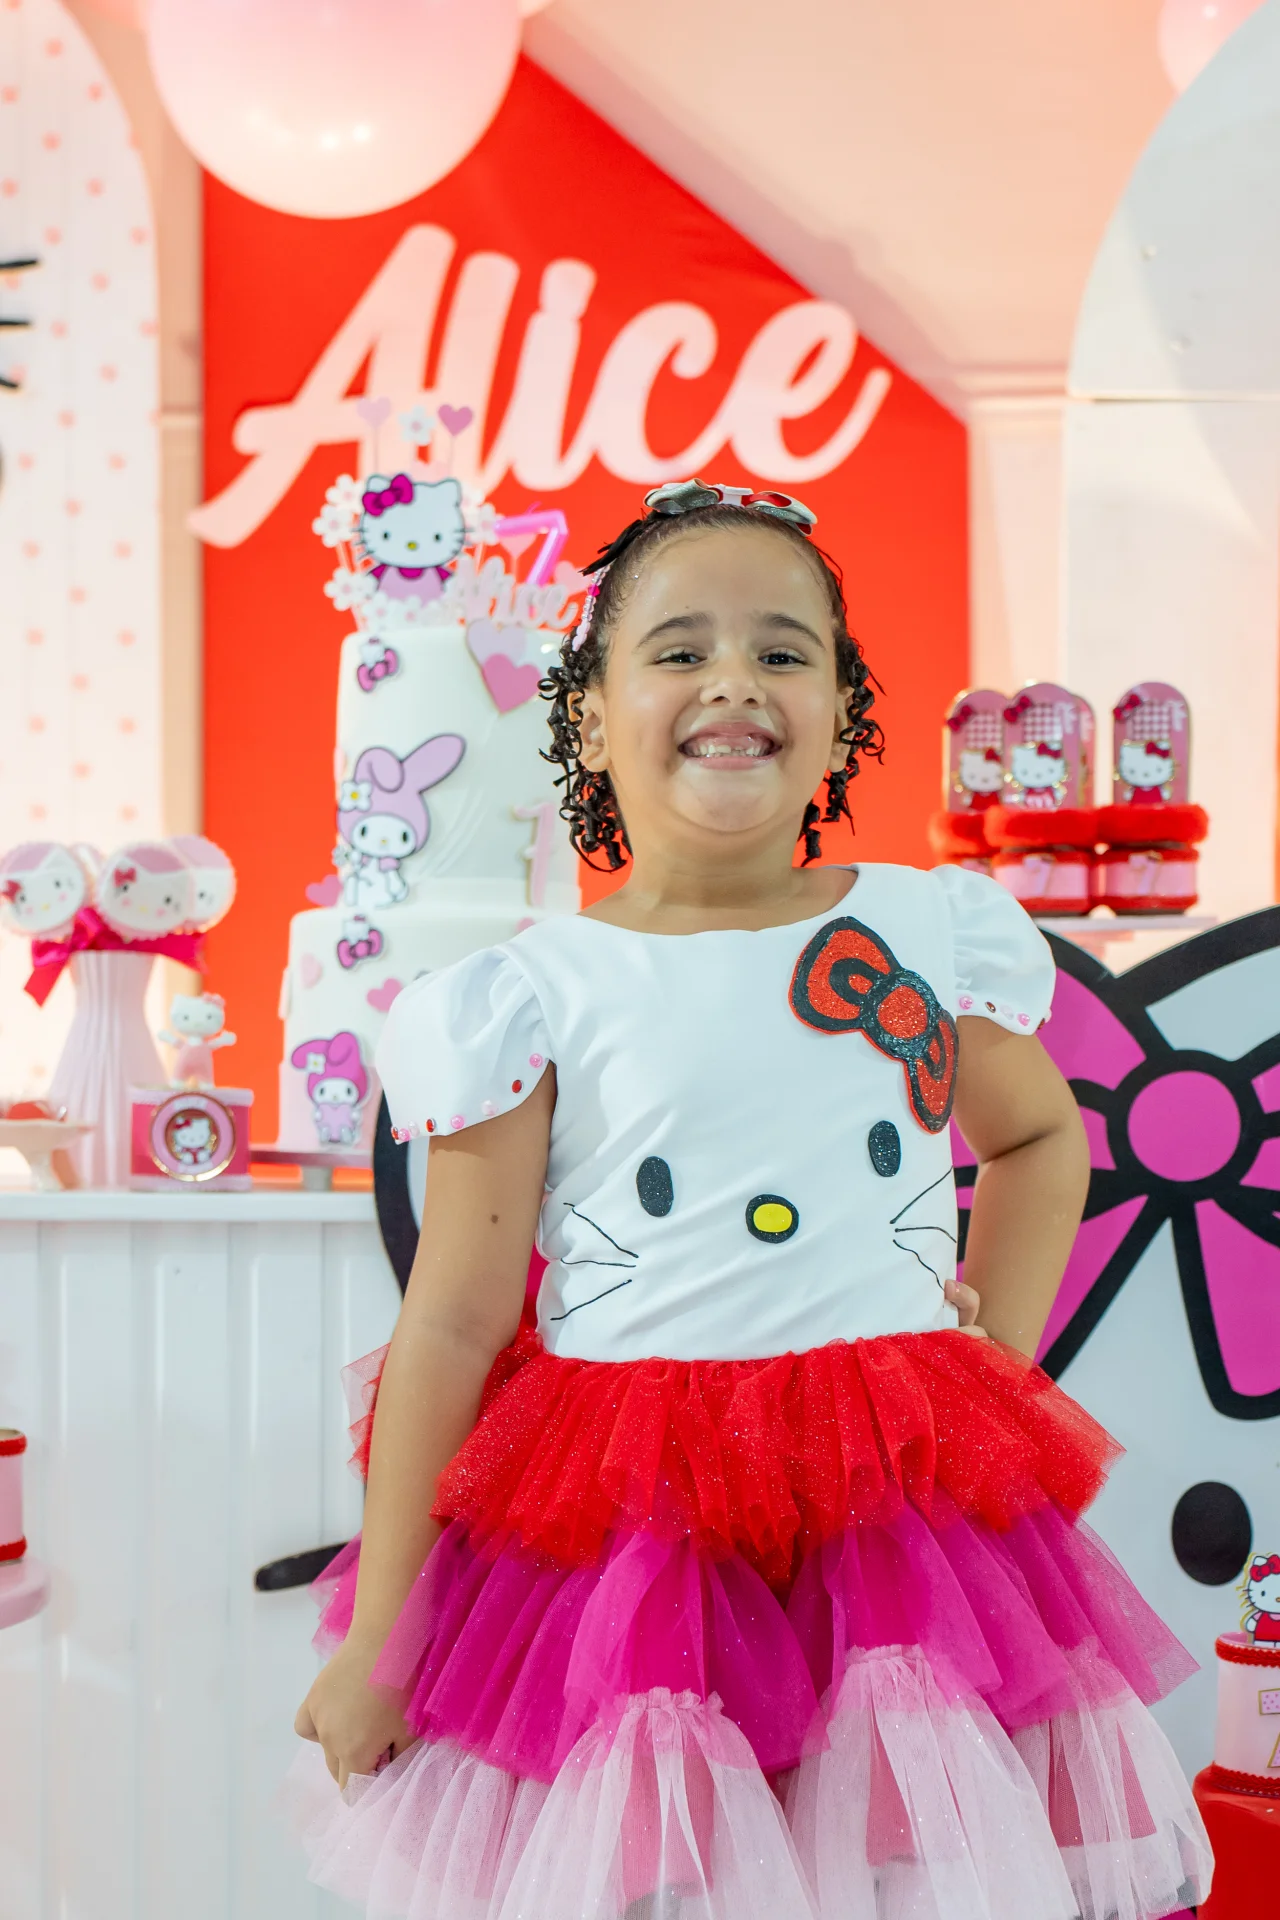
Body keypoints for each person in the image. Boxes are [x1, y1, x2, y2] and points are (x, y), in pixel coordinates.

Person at [291, 481, 1211, 1919]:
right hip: (635, 1534)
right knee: (673, 1861)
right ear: (589, 714)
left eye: (782, 651)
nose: (734, 680)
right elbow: (455, 1322)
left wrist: (994, 1366)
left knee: (898, 1859)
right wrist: (381, 1643)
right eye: (680, 650)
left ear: (842, 713)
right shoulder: (528, 995)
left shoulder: (921, 928)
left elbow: (1039, 1140)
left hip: (897, 1538)